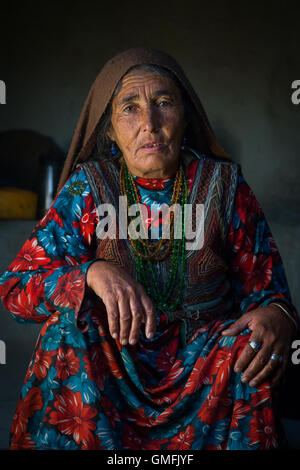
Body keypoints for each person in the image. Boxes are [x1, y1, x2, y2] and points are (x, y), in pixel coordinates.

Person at [0, 47, 299, 451]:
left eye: (164, 104)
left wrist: (277, 316)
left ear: (186, 116)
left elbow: (271, 293)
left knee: (252, 348)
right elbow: (16, 288)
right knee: (68, 328)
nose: (150, 124)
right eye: (130, 108)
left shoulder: (225, 187)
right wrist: (90, 274)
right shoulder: (88, 189)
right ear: (109, 131)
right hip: (111, 370)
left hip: (206, 372)